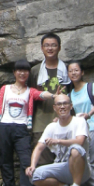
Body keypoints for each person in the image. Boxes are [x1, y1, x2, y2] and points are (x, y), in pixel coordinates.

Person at [0, 60, 54, 186]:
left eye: (25, 71)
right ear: (14, 72)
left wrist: (54, 95)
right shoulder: (5, 89)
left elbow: (40, 94)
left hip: (22, 129)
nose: (22, 73)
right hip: (4, 128)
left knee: (26, 160)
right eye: (19, 70)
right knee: (5, 163)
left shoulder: (29, 91)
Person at [25, 93, 93, 186]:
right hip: (62, 167)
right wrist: (32, 165)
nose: (62, 106)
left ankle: (76, 185)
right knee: (33, 176)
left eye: (65, 103)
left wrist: (58, 141)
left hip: (81, 167)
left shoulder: (79, 121)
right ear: (54, 107)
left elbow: (80, 141)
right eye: (59, 104)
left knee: (75, 149)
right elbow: (39, 147)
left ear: (71, 106)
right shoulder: (51, 127)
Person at [67, 61, 94, 186]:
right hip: (80, 132)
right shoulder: (70, 94)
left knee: (90, 162)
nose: (73, 73)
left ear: (82, 72)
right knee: (82, 160)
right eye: (70, 71)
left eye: (76, 70)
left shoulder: (91, 86)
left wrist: (88, 114)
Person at [29, 33, 69, 165]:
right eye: (46, 45)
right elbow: (30, 95)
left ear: (59, 47)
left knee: (66, 160)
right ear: (41, 48)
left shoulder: (68, 69)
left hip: (64, 122)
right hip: (41, 122)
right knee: (43, 163)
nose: (50, 48)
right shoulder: (35, 71)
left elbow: (74, 93)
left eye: (53, 45)